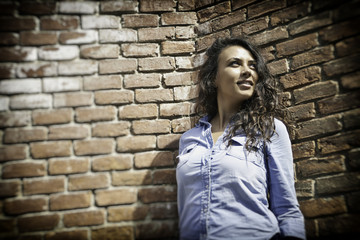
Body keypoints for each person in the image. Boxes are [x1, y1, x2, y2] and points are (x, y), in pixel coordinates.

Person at [176, 37, 306, 240]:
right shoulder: (189, 139)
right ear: (214, 78)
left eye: (252, 66)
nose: (247, 71)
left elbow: (287, 209)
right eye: (235, 63)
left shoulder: (269, 129)